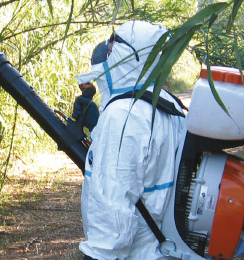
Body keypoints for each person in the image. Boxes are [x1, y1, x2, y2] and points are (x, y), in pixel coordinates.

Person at [73, 20, 186, 259]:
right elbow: (149, 164)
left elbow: (112, 222)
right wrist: (98, 125)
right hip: (164, 250)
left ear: (129, 56)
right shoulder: (166, 101)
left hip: (137, 253)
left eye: (112, 51)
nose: (107, 57)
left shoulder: (123, 117)